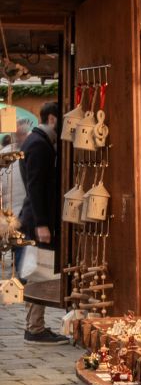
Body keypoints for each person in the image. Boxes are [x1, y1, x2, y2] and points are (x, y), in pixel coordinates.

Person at [18, 100, 66, 344]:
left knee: (39, 270)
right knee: (39, 272)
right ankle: (34, 328)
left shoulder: (37, 141)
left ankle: (35, 325)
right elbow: (35, 187)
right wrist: (42, 223)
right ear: (52, 119)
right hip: (37, 221)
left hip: (36, 219)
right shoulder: (39, 144)